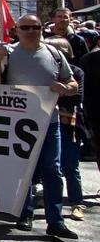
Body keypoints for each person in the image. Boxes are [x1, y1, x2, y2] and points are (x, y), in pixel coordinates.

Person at [0, 14, 78, 239]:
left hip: (49, 121)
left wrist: (65, 89)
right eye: (25, 27)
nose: (30, 31)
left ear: (41, 29)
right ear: (16, 30)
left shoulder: (54, 54)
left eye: (35, 27)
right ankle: (24, 213)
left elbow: (73, 83)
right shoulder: (6, 53)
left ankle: (55, 220)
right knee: (22, 170)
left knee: (52, 169)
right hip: (18, 122)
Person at [46, 37, 87, 223]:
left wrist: (59, 92)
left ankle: (77, 202)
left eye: (58, 50)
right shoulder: (43, 71)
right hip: (43, 123)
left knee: (70, 165)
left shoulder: (77, 72)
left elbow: (75, 98)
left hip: (69, 124)